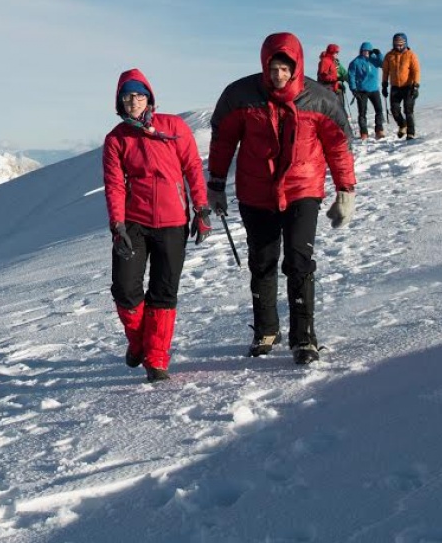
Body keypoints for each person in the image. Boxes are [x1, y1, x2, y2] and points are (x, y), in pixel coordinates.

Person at [207, 33, 357, 365]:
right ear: (264, 66)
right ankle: (266, 330)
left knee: (299, 262)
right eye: (273, 68)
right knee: (262, 261)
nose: (278, 75)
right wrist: (215, 184)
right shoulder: (240, 96)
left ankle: (304, 339)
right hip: (255, 191)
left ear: (296, 67)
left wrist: (345, 190)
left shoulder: (318, 99)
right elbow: (222, 141)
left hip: (303, 189)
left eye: (284, 69)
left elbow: (338, 146)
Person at [103, 69, 210, 383]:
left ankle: (156, 358)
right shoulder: (116, 139)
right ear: (119, 102)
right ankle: (138, 343)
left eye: (138, 95)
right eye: (127, 96)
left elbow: (192, 167)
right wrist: (117, 224)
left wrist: (201, 209)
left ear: (149, 97)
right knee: (125, 289)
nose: (133, 101)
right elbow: (114, 185)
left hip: (173, 221)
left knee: (164, 291)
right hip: (133, 223)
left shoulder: (173, 127)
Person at [382, 32, 422, 139]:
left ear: (405, 43)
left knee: (408, 110)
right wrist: (384, 84)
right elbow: (385, 71)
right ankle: (402, 125)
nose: (399, 47)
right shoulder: (389, 56)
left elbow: (416, 71)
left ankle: (410, 133)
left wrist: (416, 85)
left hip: (408, 86)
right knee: (394, 110)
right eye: (396, 44)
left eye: (401, 44)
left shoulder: (411, 55)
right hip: (395, 87)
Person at [347, 42, 386, 139]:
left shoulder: (374, 60)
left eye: (368, 51)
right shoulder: (355, 62)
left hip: (374, 89)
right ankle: (364, 132)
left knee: (379, 110)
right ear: (361, 51)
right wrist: (353, 89)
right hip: (361, 91)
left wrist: (379, 54)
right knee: (362, 112)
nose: (366, 53)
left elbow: (383, 64)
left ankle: (379, 130)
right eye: (364, 51)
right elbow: (351, 76)